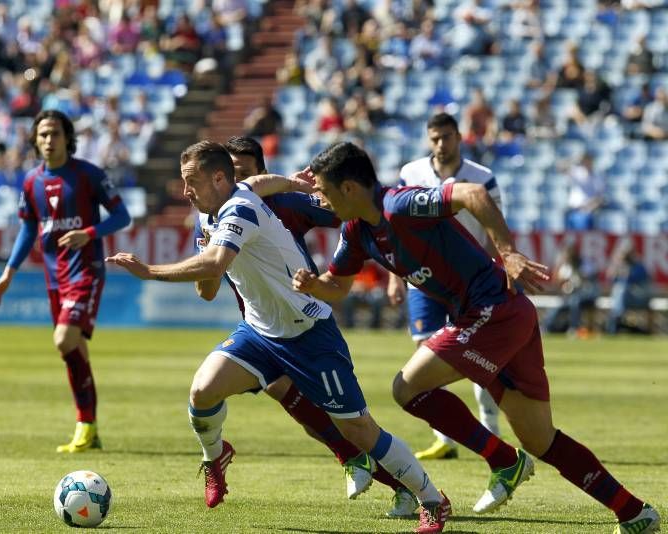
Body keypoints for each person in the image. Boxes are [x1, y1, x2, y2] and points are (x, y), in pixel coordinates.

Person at [292, 141, 660, 534]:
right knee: (540, 439)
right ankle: (633, 511)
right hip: (503, 317)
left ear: (349, 188)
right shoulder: (356, 232)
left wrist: (509, 252)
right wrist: (314, 285)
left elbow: (473, 193)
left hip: (494, 311)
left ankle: (502, 460)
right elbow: (338, 286)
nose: (322, 201)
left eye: (326, 192)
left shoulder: (399, 205)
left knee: (407, 388)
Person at [107, 141, 451, 534]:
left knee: (359, 429)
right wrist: (294, 183)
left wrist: (150, 271)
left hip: (309, 334)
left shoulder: (239, 209)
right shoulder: (219, 205)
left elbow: (217, 261)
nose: (185, 191)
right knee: (202, 392)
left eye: (192, 182)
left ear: (219, 178)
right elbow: (258, 183)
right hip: (259, 332)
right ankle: (215, 458)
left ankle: (431, 499)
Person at [216, 137, 416, 516]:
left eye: (244, 173)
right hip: (260, 326)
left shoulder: (285, 203)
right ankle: (355, 460)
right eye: (229, 174)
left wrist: (392, 268)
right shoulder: (218, 214)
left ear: (262, 173)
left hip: (301, 321)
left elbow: (354, 213)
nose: (234, 181)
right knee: (282, 393)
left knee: (346, 420)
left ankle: (400, 482)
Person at [0, 110, 131, 454]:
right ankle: (89, 428)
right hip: (55, 279)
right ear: (35, 141)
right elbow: (28, 228)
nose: (48, 140)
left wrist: (89, 233)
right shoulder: (31, 182)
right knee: (75, 349)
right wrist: (9, 271)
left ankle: (85, 424)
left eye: (54, 133)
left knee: (64, 339)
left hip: (87, 270)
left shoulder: (88, 175)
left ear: (68, 137)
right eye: (42, 135)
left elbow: (122, 216)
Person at [387, 112, 501, 460]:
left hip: (468, 280)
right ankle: (445, 439)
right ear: (428, 138)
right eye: (435, 138)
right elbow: (397, 227)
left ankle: (491, 431)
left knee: (478, 355)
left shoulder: (482, 178)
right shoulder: (411, 172)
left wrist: (497, 271)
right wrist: (395, 276)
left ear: (459, 137)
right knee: (425, 355)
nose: (440, 144)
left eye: (447, 137)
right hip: (422, 278)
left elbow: (495, 228)